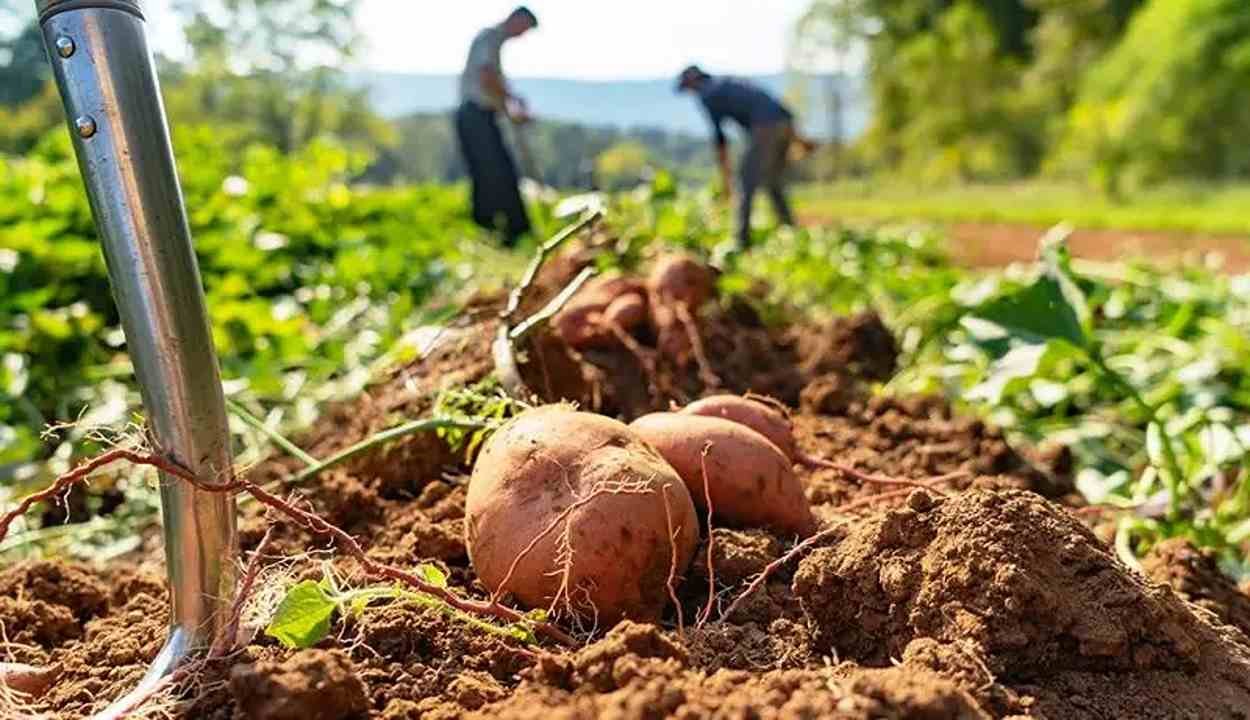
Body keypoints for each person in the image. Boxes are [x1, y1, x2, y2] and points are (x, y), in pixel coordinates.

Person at [676, 65, 804, 250]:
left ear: (693, 82)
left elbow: (719, 138)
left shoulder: (707, 94)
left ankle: (741, 242)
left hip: (765, 127)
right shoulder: (728, 81)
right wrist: (797, 137)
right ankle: (790, 231)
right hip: (785, 123)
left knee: (744, 182)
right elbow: (773, 105)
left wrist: (725, 176)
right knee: (772, 181)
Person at [455, 7, 538, 244]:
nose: (522, 36)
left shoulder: (495, 42)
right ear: (517, 20)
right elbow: (487, 77)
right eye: (524, 29)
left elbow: (490, 83)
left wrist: (509, 108)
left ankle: (499, 229)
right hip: (475, 116)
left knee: (492, 172)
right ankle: (506, 230)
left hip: (482, 116)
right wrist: (511, 100)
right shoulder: (489, 38)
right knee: (493, 173)